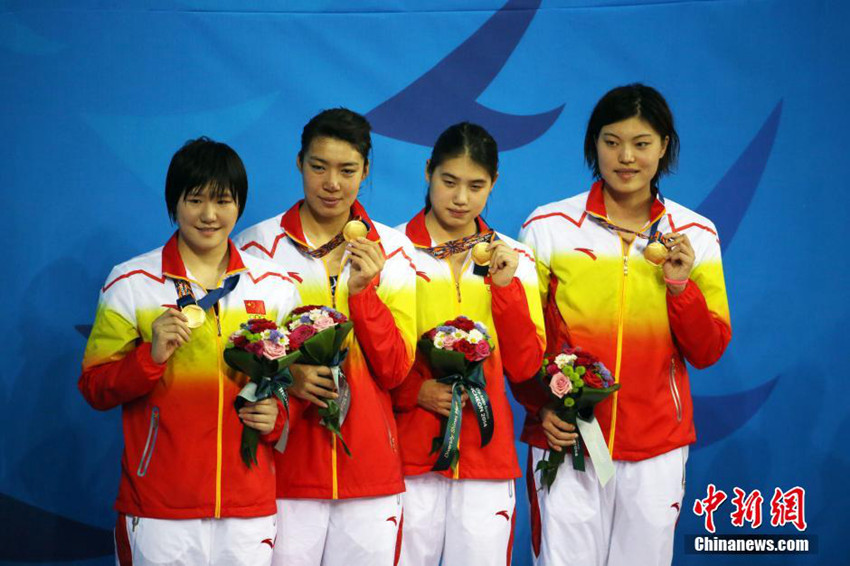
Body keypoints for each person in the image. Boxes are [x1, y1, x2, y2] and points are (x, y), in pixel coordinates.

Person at [518, 84, 732, 566]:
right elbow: (523, 339)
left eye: (642, 143)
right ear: (594, 144)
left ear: (665, 147)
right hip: (566, 437)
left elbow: (709, 348)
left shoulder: (694, 234)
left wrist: (680, 287)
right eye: (612, 141)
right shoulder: (548, 226)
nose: (626, 157)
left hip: (656, 444)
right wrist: (540, 407)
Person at [79, 137, 301, 566]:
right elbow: (94, 387)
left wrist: (278, 416)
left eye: (222, 200)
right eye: (194, 199)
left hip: (248, 506)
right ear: (173, 203)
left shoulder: (274, 286)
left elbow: (291, 384)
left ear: (239, 204)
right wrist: (150, 356)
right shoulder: (131, 282)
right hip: (160, 507)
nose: (209, 215)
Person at [234, 108, 417, 566]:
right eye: (319, 167)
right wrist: (286, 375)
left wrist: (364, 295)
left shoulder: (395, 251)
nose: (332, 183)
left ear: (366, 171)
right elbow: (236, 357)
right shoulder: (256, 248)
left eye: (347, 170)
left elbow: (396, 370)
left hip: (369, 473)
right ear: (299, 163)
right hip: (285, 469)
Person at [391, 122, 545, 566]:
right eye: (449, 181)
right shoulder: (394, 252)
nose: (461, 198)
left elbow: (526, 365)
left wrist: (506, 287)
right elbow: (371, 354)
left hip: (485, 457)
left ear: (494, 183)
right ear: (427, 172)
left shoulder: (514, 258)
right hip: (409, 456)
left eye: (476, 186)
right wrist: (412, 392)